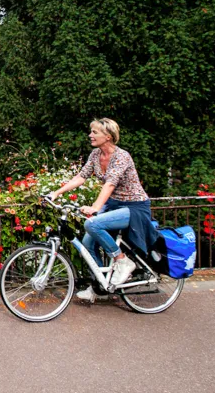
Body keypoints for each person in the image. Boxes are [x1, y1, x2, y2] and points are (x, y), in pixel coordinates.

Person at [50, 118, 158, 303]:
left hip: (134, 207)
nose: (90, 135)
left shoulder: (122, 156)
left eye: (95, 132)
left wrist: (95, 208)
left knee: (93, 223)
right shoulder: (95, 155)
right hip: (115, 205)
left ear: (107, 136)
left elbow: (109, 184)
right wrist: (56, 193)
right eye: (91, 131)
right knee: (87, 243)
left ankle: (122, 261)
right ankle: (99, 286)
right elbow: (81, 176)